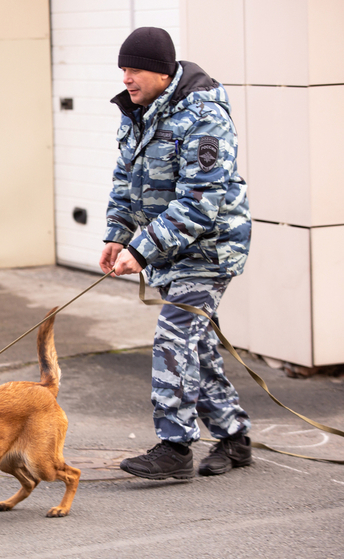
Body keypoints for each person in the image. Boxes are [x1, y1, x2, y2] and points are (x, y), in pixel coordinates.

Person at [100, 27, 252, 478]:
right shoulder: (137, 112)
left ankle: (175, 447)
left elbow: (199, 203)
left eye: (136, 70)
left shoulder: (205, 116)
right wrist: (117, 234)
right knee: (197, 346)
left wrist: (142, 251)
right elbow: (126, 183)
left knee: (174, 338)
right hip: (169, 249)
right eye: (123, 69)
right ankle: (235, 439)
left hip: (209, 249)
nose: (127, 78)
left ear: (164, 73)